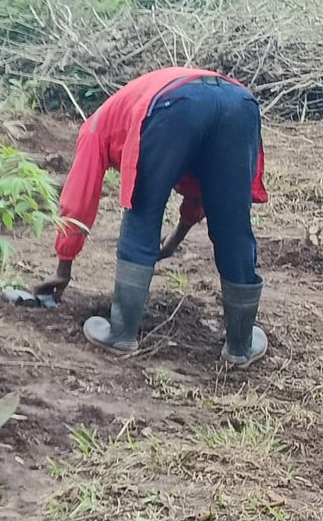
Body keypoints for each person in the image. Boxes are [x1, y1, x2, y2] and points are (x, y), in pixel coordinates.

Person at [36, 65, 269, 365]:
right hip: (240, 103)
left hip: (173, 104)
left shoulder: (95, 126)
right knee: (233, 224)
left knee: (142, 210)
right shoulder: (134, 101)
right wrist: (173, 240)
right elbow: (204, 184)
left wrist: (63, 267)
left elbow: (78, 197)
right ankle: (240, 347)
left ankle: (121, 335)